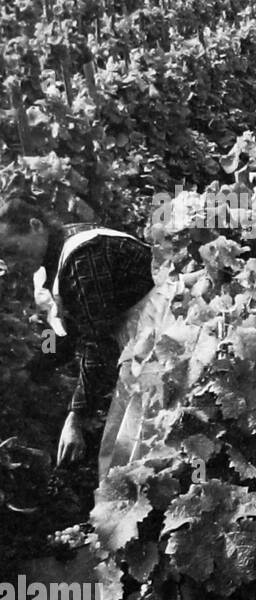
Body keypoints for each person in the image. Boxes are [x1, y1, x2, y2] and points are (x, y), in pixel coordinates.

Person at [0, 195, 156, 473]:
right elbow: (59, 336)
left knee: (144, 436)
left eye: (12, 249)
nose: (11, 262)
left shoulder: (83, 256)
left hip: (156, 331)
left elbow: (97, 341)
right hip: (131, 339)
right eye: (3, 257)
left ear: (36, 226)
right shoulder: (47, 267)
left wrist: (76, 417)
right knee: (125, 446)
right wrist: (34, 369)